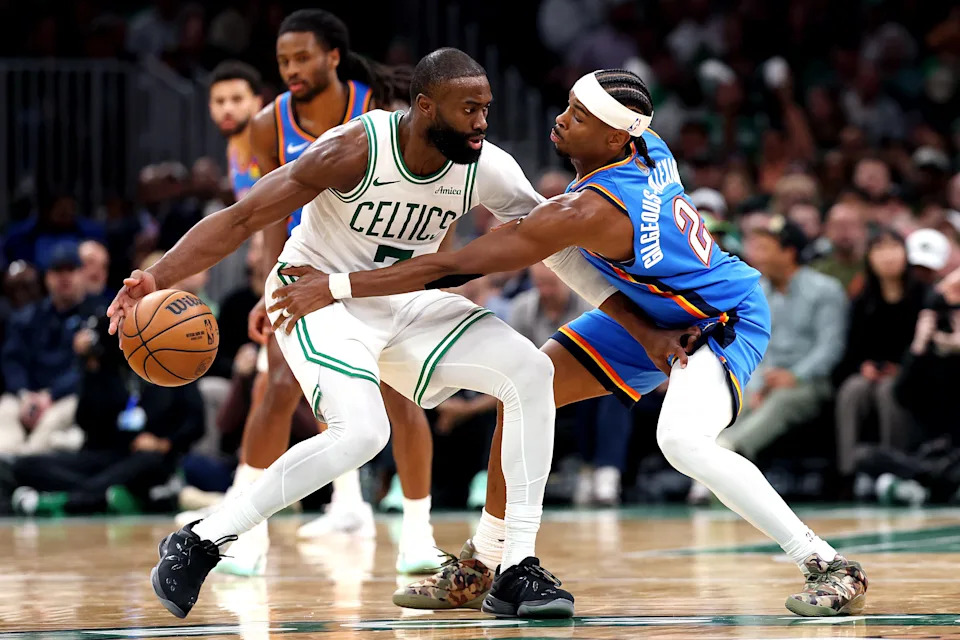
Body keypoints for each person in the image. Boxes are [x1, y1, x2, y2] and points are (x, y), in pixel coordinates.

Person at [272, 69, 868, 617]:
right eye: (568, 106)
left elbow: (455, 266)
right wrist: (642, 324)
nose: (561, 119)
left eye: (580, 117)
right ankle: (484, 562)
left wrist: (339, 286)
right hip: (648, 310)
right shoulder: (646, 146)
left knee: (682, 441)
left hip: (717, 317)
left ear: (614, 141)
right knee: (526, 385)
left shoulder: (589, 210)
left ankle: (829, 564)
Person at [105, 48, 671, 620]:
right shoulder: (353, 150)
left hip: (400, 299)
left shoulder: (486, 165)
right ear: (425, 108)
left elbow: (560, 248)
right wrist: (154, 276)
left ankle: (514, 565)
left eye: (486, 109)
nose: (481, 122)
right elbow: (242, 217)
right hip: (314, 296)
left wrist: (643, 327)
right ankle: (203, 539)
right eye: (468, 109)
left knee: (531, 372)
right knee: (362, 434)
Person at [196, 13, 440, 577]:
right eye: (283, 62)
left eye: (302, 58)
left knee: (398, 398)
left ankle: (418, 533)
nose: (292, 70)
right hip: (303, 274)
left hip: (375, 271)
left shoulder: (379, 106)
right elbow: (267, 219)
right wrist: (266, 287)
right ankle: (245, 534)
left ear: (333, 57)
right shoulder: (267, 125)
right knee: (276, 386)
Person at [833, 228, 927, 485]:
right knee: (853, 389)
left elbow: (923, 348)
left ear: (905, 254)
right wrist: (863, 366)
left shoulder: (923, 295)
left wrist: (901, 369)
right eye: (879, 249)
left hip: (911, 374)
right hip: (872, 372)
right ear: (870, 258)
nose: (887, 256)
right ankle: (850, 471)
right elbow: (852, 348)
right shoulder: (863, 301)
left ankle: (891, 469)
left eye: (893, 248)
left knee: (889, 391)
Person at [0, 243, 94, 455]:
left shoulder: (95, 317)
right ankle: (6, 466)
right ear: (47, 277)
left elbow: (85, 369)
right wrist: (25, 395)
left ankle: (26, 464)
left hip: (67, 396)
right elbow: (12, 360)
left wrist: (51, 395)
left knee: (51, 424)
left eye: (71, 270)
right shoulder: (27, 317)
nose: (64, 277)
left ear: (81, 274)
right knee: (5, 412)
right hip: (26, 395)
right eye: (57, 271)